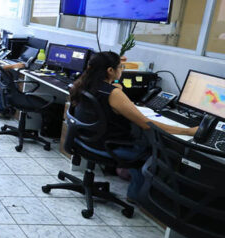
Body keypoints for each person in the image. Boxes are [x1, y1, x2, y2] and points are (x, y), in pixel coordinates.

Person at [69, 51, 198, 200]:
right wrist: (188, 131)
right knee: (153, 151)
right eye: (121, 67)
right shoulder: (113, 94)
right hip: (107, 147)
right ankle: (135, 196)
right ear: (110, 70)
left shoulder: (83, 84)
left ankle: (128, 178)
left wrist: (116, 89)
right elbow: (147, 124)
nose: (122, 70)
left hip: (84, 141)